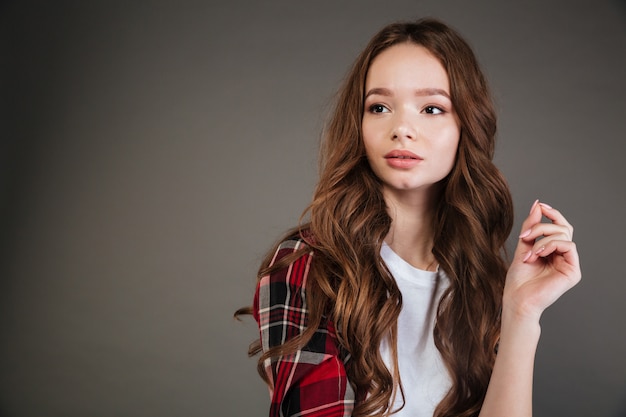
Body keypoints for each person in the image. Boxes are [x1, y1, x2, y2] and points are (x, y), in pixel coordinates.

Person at [235, 18, 581, 417]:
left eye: (432, 108)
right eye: (379, 107)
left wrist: (521, 312)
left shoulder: (480, 279)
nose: (401, 128)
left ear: (466, 127)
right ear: (359, 125)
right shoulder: (307, 267)